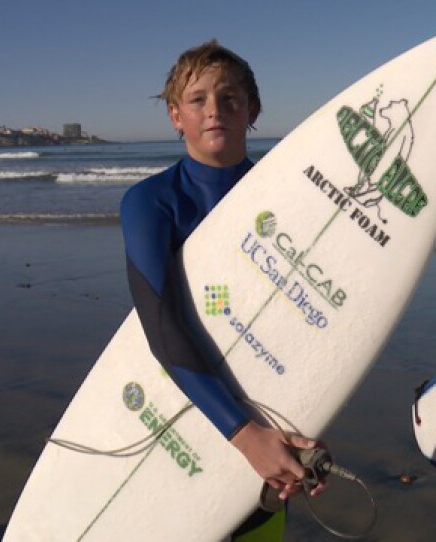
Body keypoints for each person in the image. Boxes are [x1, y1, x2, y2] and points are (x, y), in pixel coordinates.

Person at [120, 40, 323, 540]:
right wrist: (243, 433)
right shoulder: (151, 203)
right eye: (197, 99)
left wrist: (314, 419)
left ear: (252, 110)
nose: (215, 110)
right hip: (181, 415)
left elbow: (309, 320)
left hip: (265, 417)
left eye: (230, 98)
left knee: (257, 533)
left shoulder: (288, 198)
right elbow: (162, 327)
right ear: (175, 116)